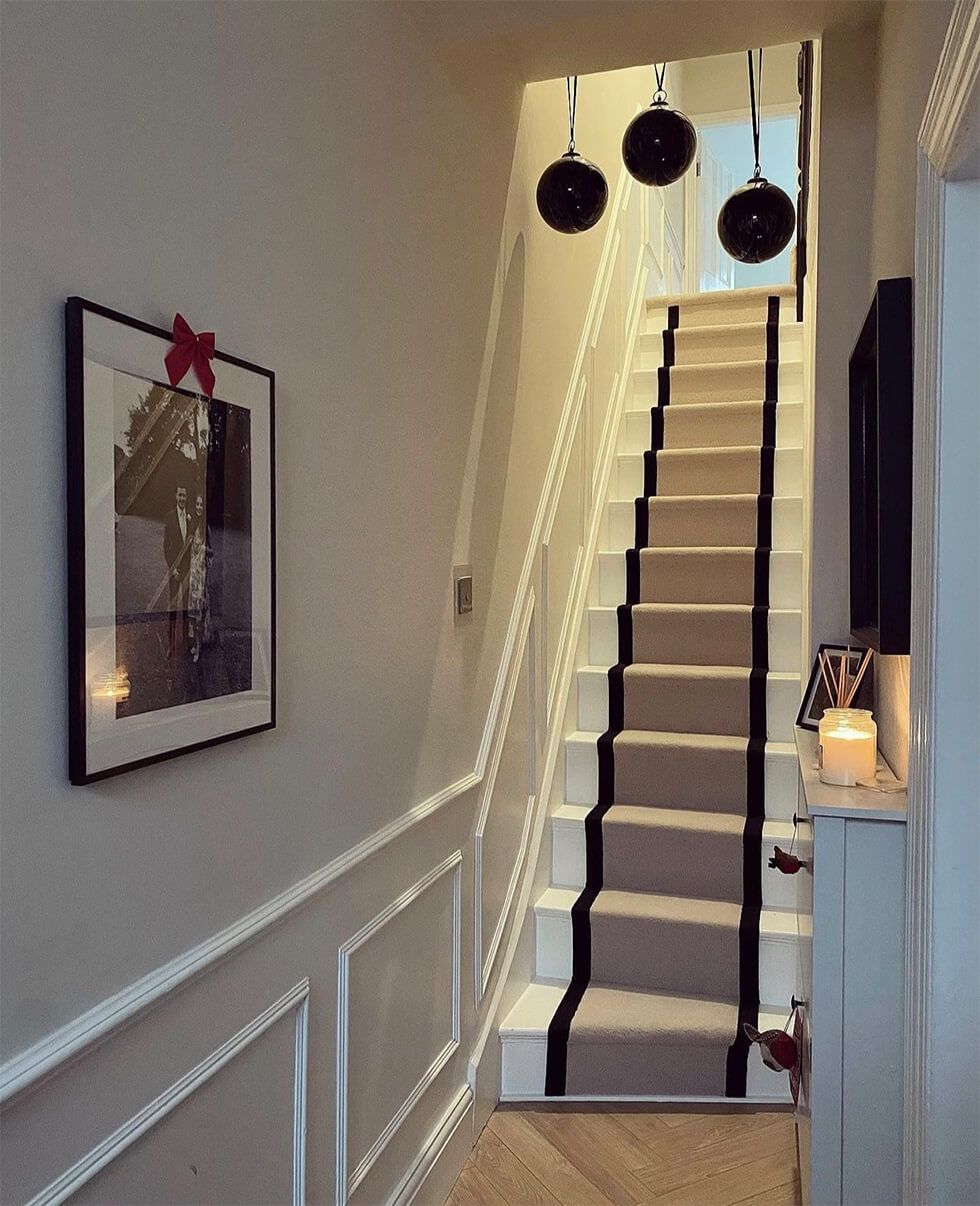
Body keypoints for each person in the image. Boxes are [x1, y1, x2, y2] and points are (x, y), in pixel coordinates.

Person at [162, 483, 193, 658]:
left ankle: (186, 643)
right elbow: (166, 546)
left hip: (187, 570)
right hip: (175, 571)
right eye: (180, 495)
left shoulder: (190, 517)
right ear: (176, 496)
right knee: (173, 609)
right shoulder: (170, 517)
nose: (182, 498)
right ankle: (171, 646)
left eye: (184, 496)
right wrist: (172, 569)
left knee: (187, 608)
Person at [187, 492, 213, 664]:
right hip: (193, 577)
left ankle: (199, 646)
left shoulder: (206, 528)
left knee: (200, 615)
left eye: (201, 505)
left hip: (202, 578)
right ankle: (196, 643)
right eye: (196, 504)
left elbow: (212, 553)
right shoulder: (192, 524)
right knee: (193, 614)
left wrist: (204, 551)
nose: (198, 507)